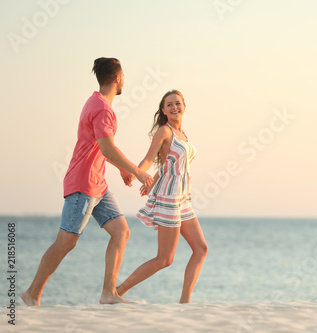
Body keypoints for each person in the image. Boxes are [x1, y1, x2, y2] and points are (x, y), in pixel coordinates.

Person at [21, 57, 153, 306]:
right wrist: (136, 171)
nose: (124, 80)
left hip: (97, 185)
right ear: (117, 78)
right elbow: (106, 148)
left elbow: (101, 148)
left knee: (121, 232)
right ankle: (32, 294)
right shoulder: (102, 108)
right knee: (67, 241)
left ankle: (108, 294)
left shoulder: (95, 101)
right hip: (83, 185)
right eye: (123, 76)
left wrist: (121, 170)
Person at [116, 90, 208, 304]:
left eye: (178, 103)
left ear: (184, 106)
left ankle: (185, 302)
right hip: (169, 196)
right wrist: (139, 173)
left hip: (184, 197)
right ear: (164, 110)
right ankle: (117, 292)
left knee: (201, 249)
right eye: (169, 105)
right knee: (165, 259)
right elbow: (149, 159)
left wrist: (154, 179)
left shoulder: (183, 134)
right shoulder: (164, 132)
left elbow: (169, 163)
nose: (174, 107)